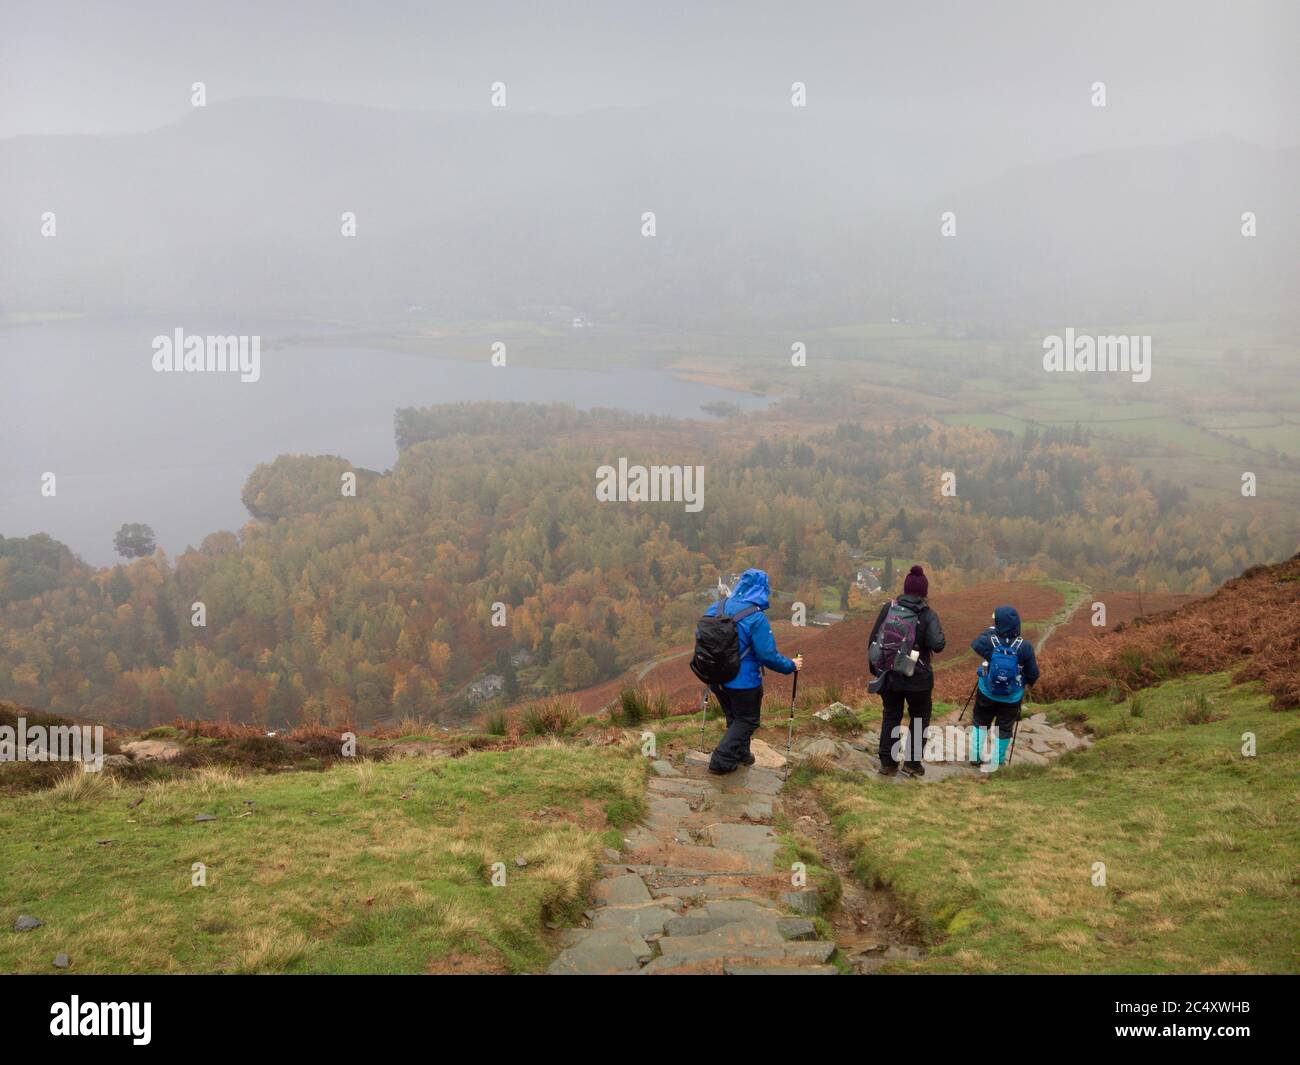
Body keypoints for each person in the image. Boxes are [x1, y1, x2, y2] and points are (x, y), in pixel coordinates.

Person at [702, 568, 802, 774]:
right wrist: (791, 665)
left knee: (734, 717)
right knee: (747, 720)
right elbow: (767, 656)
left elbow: (701, 635)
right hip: (743, 682)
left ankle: (741, 754)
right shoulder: (756, 618)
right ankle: (721, 760)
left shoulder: (717, 606)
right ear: (762, 590)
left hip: (716, 678)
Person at [867, 565, 945, 777]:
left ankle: (887, 763)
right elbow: (938, 644)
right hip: (918, 679)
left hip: (890, 675)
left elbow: (874, 638)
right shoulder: (928, 614)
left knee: (891, 715)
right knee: (919, 718)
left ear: (905, 588)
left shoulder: (888, 608)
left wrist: (877, 670)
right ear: (924, 593)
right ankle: (911, 763)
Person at [969, 605, 1040, 769]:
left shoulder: (989, 640)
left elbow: (975, 644)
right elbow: (1033, 673)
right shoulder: (1025, 646)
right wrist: (1025, 684)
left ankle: (975, 756)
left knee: (980, 721)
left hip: (987, 691)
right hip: (1011, 696)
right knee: (1005, 727)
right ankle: (997, 760)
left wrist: (990, 631)